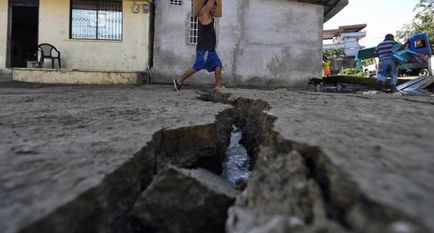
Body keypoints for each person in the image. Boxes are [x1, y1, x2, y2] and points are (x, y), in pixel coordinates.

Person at [173, 0, 222, 91]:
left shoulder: (209, 16)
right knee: (197, 66)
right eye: (213, 7)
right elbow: (209, 3)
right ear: (207, 6)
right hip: (204, 50)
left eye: (215, 8)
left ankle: (218, 86)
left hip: (211, 50)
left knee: (218, 66)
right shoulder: (204, 14)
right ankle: (179, 81)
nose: (215, 9)